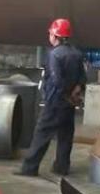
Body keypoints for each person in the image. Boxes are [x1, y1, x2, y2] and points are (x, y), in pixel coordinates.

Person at [15, 18, 86, 177]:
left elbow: (56, 80)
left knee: (42, 134)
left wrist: (64, 94)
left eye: (50, 34)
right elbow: (82, 78)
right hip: (69, 103)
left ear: (55, 36)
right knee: (65, 136)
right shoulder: (76, 53)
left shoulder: (55, 55)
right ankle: (61, 167)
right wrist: (74, 94)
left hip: (55, 102)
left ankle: (29, 168)